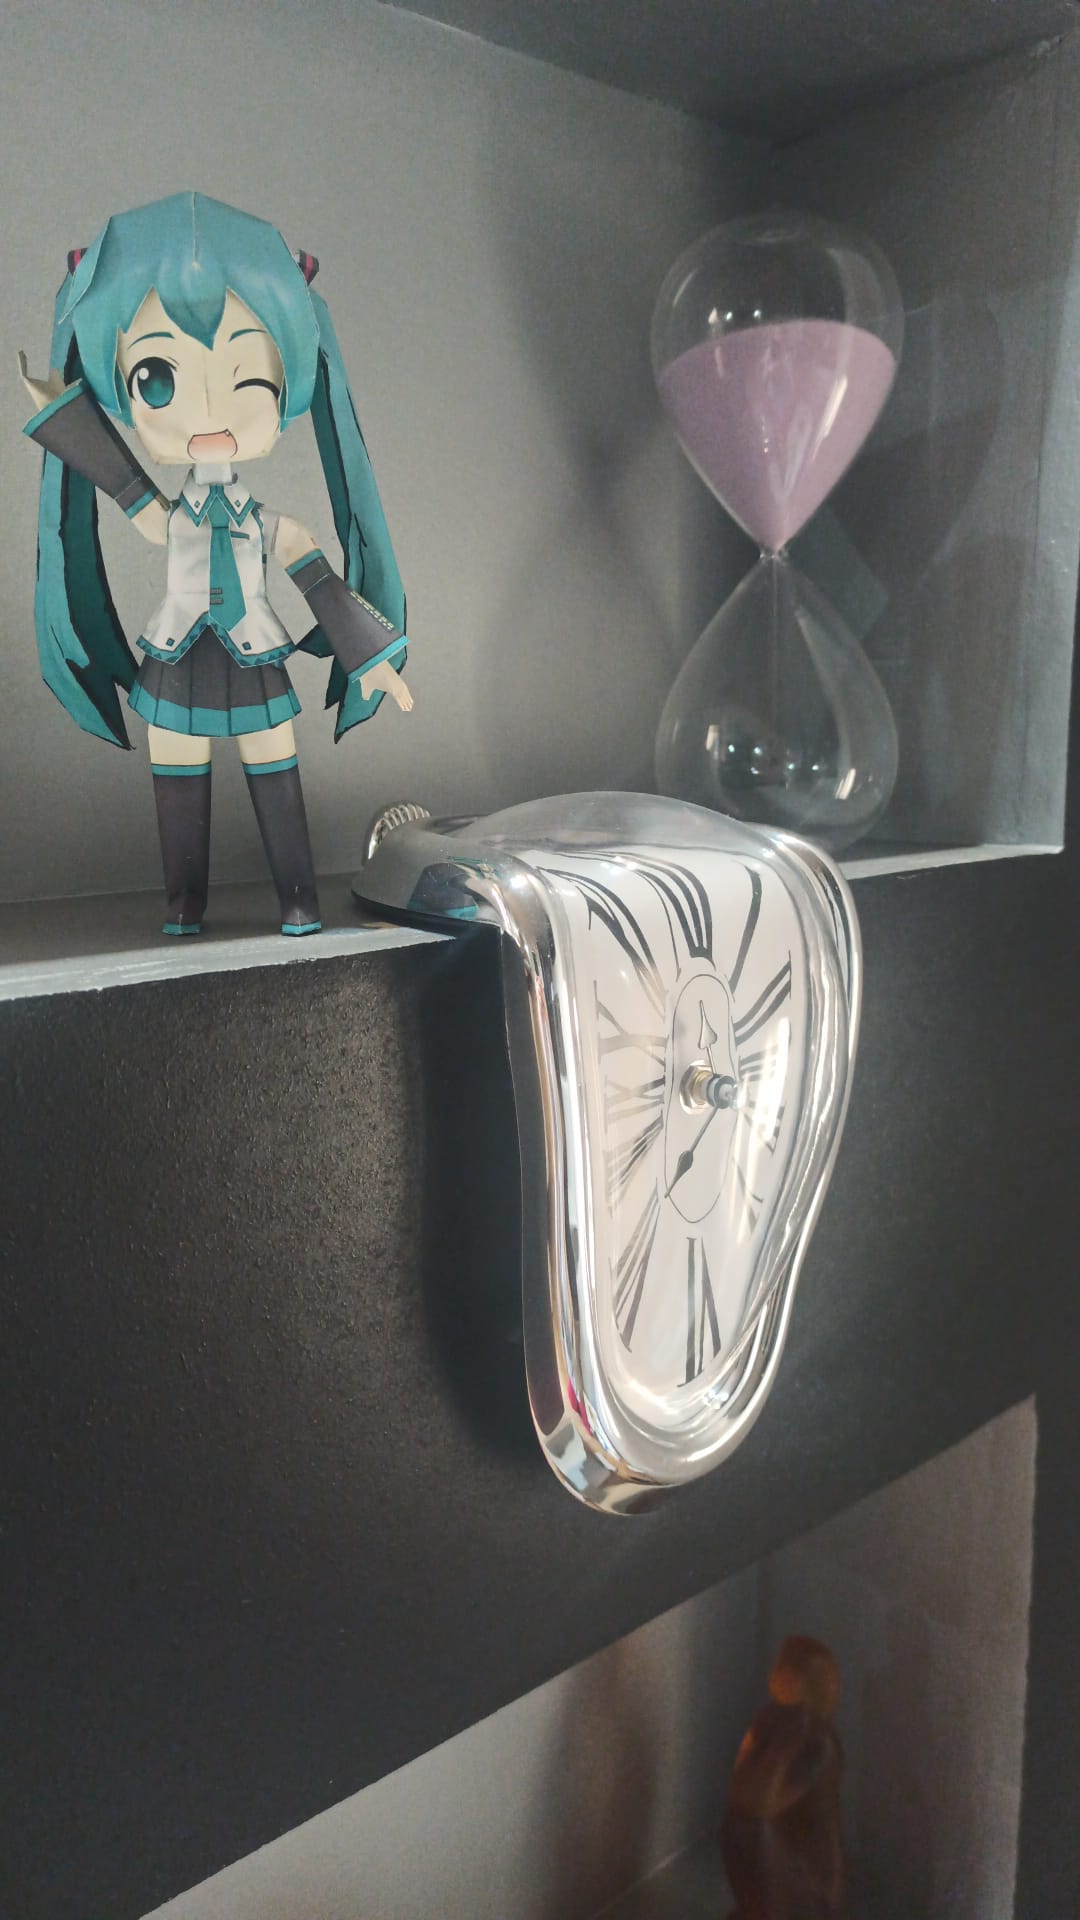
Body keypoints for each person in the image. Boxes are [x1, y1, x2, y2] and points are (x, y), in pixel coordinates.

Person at [20, 191, 412, 935]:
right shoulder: (170, 517)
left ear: (289, 387)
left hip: (254, 654)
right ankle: (184, 901)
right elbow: (120, 484)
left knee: (275, 771)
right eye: (156, 379)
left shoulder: (268, 525)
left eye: (247, 379)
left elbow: (319, 582)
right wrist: (62, 418)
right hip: (174, 656)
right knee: (176, 775)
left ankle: (298, 898)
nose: (206, 420)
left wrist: (373, 656)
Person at [722, 1635, 847, 1920]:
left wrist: (783, 1746)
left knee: (746, 1829)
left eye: (785, 1666)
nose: (776, 1670)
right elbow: (740, 1791)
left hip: (812, 1887)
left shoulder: (817, 1743)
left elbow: (757, 1804)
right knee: (739, 1825)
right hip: (781, 1861)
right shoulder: (772, 1718)